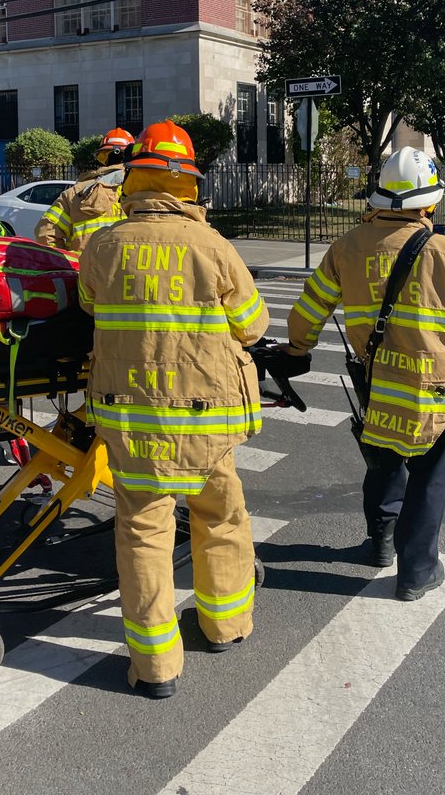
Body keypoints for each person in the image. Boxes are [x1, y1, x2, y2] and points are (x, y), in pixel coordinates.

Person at [77, 120, 269, 698]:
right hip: (205, 418)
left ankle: (156, 667)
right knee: (222, 516)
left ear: (132, 180)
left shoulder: (103, 246)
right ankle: (225, 626)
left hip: (129, 417)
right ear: (187, 184)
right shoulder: (213, 247)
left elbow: (88, 303)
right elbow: (254, 325)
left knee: (142, 531)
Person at [285, 146, 445, 601]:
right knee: (428, 477)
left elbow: (308, 312)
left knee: (382, 464)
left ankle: (381, 544)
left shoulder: (345, 248)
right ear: (429, 202)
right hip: (436, 391)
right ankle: (416, 573)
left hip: (376, 383)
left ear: (379, 197)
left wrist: (298, 348)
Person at [35, 127, 134, 255]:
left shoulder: (75, 193)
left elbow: (45, 234)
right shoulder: (143, 189)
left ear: (103, 157)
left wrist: (70, 264)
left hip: (86, 272)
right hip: (129, 272)